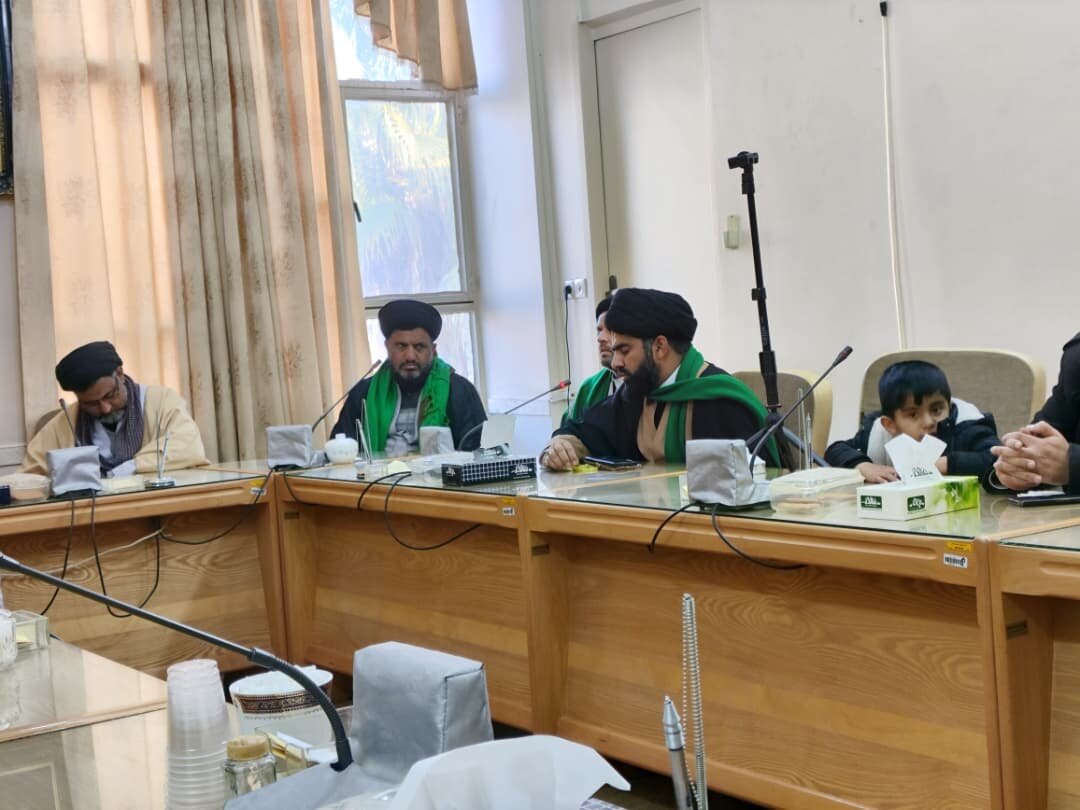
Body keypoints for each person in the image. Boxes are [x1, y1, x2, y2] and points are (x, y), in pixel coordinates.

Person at [541, 288, 774, 470]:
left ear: (660, 347)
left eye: (624, 350)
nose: (615, 363)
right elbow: (585, 432)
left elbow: (756, 480)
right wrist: (561, 446)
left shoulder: (720, 402)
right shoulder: (635, 395)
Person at [21, 341, 208, 477]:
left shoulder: (161, 401)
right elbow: (29, 474)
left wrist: (129, 468)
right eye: (91, 404)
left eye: (110, 395)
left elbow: (189, 448)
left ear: (120, 374)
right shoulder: (66, 422)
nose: (105, 408)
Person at [330, 299, 486, 455]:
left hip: (441, 471)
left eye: (419, 347)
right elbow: (340, 451)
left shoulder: (459, 391)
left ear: (433, 350)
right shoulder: (364, 393)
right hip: (378, 471)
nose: (410, 356)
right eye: (401, 346)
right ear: (387, 347)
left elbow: (479, 452)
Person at [824, 360, 1000, 483]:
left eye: (937, 410)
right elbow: (835, 450)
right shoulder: (877, 431)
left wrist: (945, 464)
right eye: (913, 414)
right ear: (890, 425)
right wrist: (862, 465)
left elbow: (996, 459)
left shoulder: (967, 425)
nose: (929, 422)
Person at [991, 332, 1080, 492]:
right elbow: (1037, 444)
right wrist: (1015, 466)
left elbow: (1067, 463)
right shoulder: (1076, 358)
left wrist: (1073, 466)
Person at [562, 296, 624, 425]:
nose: (600, 338)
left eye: (610, 329)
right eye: (599, 330)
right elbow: (568, 427)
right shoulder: (589, 388)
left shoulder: (650, 385)